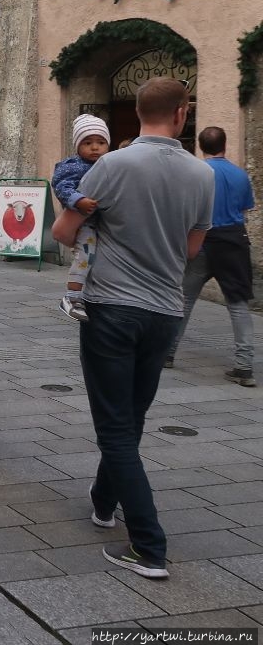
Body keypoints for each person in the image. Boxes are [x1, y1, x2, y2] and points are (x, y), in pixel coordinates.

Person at [52, 77, 214, 581]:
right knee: (132, 417)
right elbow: (191, 251)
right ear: (182, 115)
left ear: (138, 113)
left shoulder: (111, 166)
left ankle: (148, 546)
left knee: (115, 426)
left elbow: (63, 233)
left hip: (112, 308)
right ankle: (104, 502)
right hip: (166, 311)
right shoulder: (202, 175)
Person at [167, 126, 257, 384]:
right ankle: (244, 366)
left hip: (203, 241)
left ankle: (168, 352)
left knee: (184, 300)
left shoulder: (198, 173)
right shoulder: (240, 174)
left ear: (200, 146)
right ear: (225, 145)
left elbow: (187, 209)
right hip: (234, 242)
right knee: (238, 305)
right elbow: (245, 208)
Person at [51, 115, 111, 322]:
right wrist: (79, 200)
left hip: (102, 222)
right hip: (84, 222)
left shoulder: (109, 164)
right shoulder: (72, 166)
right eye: (88, 143)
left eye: (101, 142)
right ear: (77, 146)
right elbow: (61, 187)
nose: (95, 147)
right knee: (85, 254)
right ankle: (72, 296)